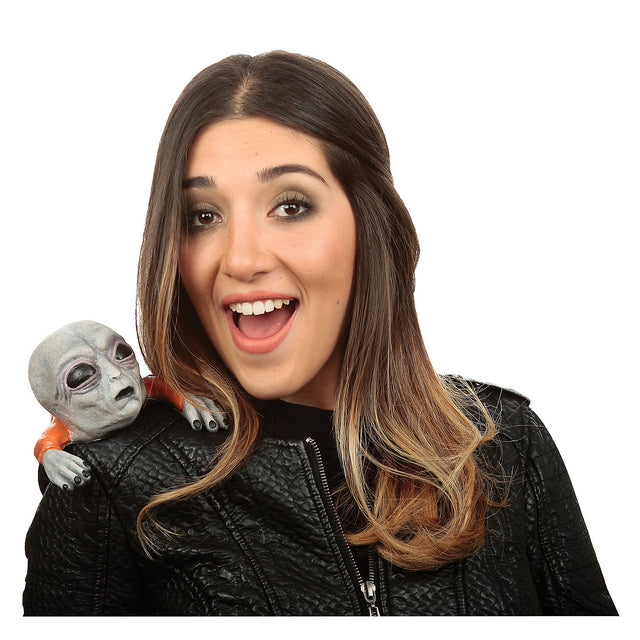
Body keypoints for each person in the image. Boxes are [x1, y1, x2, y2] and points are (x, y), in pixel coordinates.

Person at [23, 51, 616, 616]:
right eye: (202, 216)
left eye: (290, 206)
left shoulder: (505, 440)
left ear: (369, 224)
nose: (242, 259)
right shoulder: (108, 481)